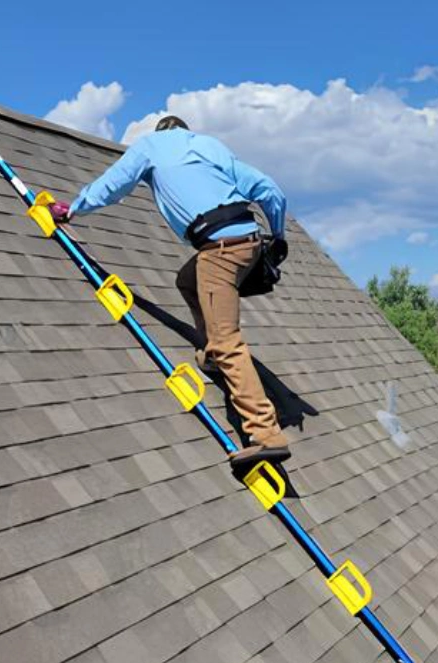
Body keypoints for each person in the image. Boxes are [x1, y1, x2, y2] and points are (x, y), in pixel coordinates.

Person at [50, 115, 290, 469]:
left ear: (161, 132)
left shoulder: (150, 146)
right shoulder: (207, 145)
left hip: (219, 249)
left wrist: (73, 208)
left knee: (228, 342)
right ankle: (210, 354)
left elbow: (114, 184)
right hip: (249, 241)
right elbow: (270, 190)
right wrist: (279, 236)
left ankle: (266, 434)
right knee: (187, 280)